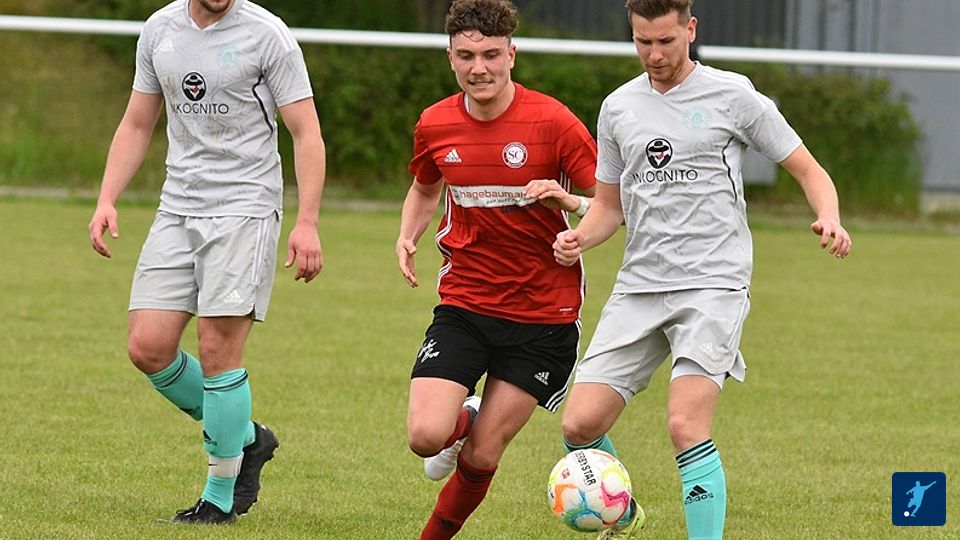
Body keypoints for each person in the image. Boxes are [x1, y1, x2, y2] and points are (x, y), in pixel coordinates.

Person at [553, 1, 853, 539]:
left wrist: (829, 216)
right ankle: (623, 513)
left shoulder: (733, 95)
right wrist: (581, 238)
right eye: (643, 42)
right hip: (641, 285)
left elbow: (809, 170)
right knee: (579, 425)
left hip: (713, 283)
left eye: (665, 41)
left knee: (685, 425)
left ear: (690, 29)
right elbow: (609, 208)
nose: (654, 54)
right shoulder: (619, 107)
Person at [87, 0, 326, 525]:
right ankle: (247, 437)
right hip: (178, 204)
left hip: (245, 206)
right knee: (148, 346)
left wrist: (306, 222)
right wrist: (107, 197)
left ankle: (218, 498)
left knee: (218, 350)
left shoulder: (268, 34)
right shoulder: (159, 29)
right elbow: (137, 123)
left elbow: (306, 131)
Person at [395, 1, 598, 538]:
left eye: (490, 54)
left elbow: (612, 202)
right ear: (450, 57)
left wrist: (573, 211)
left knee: (482, 455)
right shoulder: (436, 123)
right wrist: (408, 234)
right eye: (466, 56)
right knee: (425, 437)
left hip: (543, 317)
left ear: (512, 54)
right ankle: (464, 417)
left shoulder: (553, 122)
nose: (478, 67)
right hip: (466, 303)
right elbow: (425, 187)